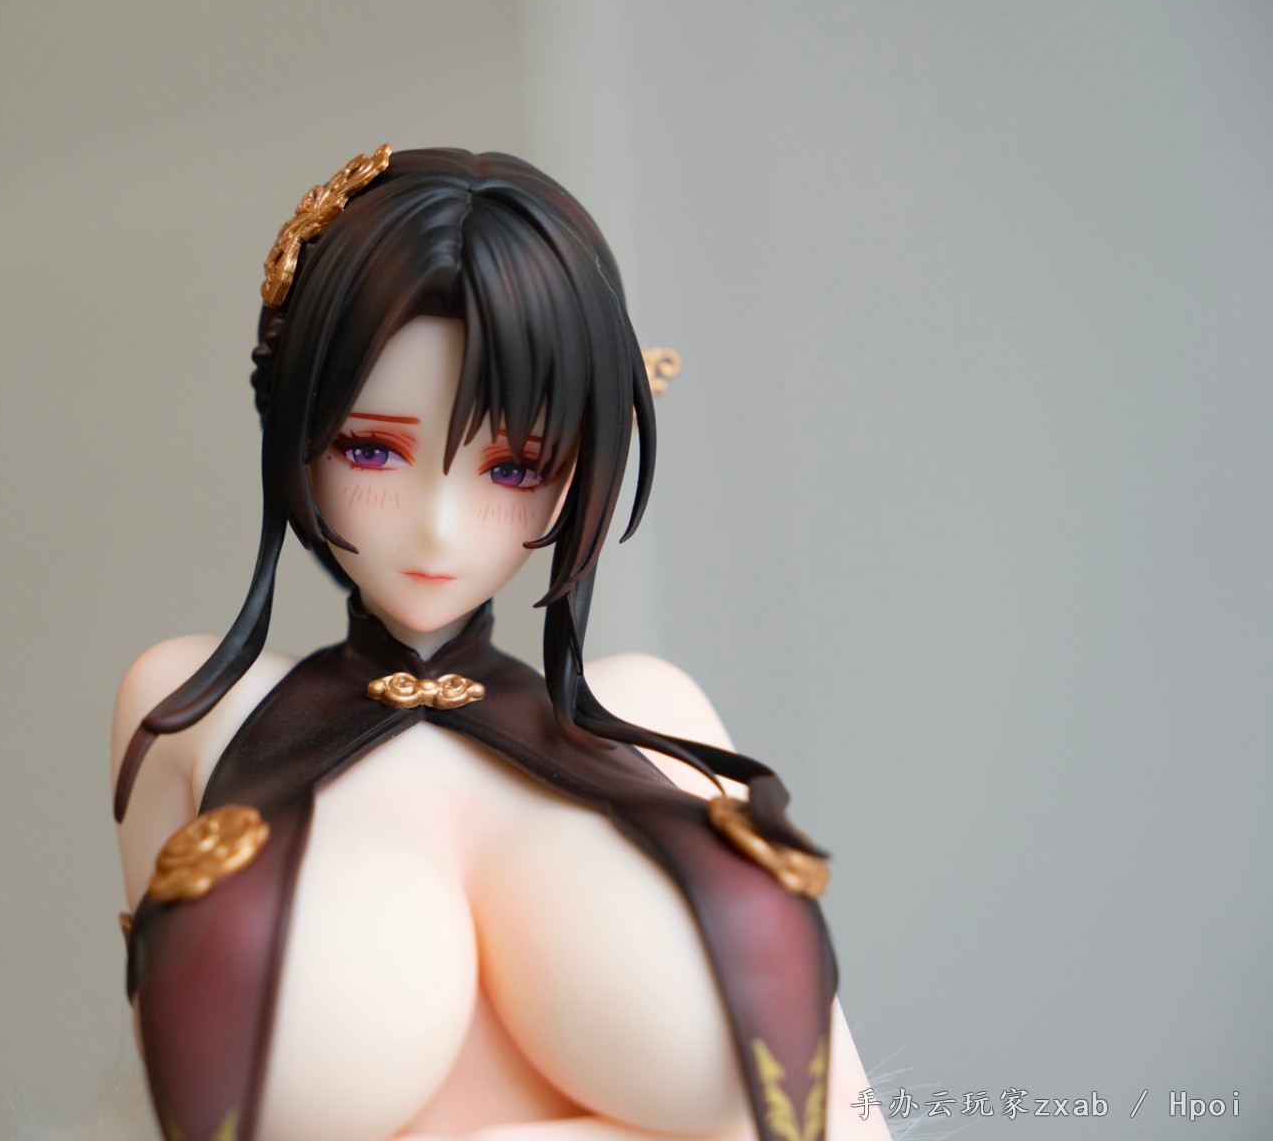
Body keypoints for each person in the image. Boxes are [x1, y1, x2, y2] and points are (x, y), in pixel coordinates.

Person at [110, 147, 888, 1141]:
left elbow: (845, 1120)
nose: (438, 528)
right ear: (296, 428)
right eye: (371, 449)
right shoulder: (193, 709)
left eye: (514, 467)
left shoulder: (654, 712)